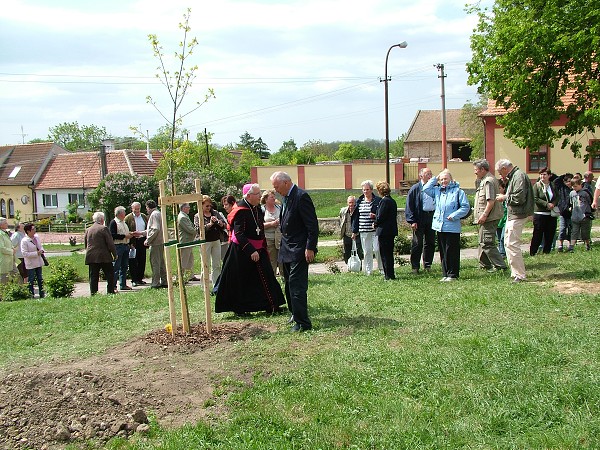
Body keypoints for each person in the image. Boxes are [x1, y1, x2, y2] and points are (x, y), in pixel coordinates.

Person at [215, 183, 285, 315]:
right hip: (242, 250)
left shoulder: (257, 208)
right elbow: (239, 233)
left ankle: (271, 305)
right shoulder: (241, 210)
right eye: (257, 194)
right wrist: (251, 250)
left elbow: (259, 228)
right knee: (242, 280)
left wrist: (261, 246)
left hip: (259, 247)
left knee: (267, 275)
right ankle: (240, 309)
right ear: (249, 195)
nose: (260, 196)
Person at [271, 171, 319, 332]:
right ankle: (294, 315)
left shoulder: (301, 196)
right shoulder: (286, 197)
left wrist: (310, 247)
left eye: (277, 186)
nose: (276, 190)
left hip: (299, 249)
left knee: (297, 286)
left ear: (286, 183)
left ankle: (303, 323)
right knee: (288, 285)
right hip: (286, 248)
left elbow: (312, 225)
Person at [423, 169, 470, 281]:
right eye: (442, 179)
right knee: (443, 250)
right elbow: (425, 188)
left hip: (452, 226)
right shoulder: (437, 191)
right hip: (440, 226)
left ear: (451, 179)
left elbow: (465, 207)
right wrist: (436, 177)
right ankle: (445, 274)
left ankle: (453, 274)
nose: (444, 181)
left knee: (451, 250)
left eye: (446, 179)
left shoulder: (458, 191)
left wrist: (454, 215)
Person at [495, 159, 534, 283]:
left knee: (512, 244)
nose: (500, 176)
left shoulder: (519, 176)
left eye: (500, 173)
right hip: (514, 215)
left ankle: (520, 275)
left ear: (505, 168)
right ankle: (515, 272)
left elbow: (519, 197)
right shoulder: (515, 176)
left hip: (518, 214)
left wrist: (504, 197)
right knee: (507, 243)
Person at [473, 159, 507, 271]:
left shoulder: (488, 181)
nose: (475, 172)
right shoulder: (484, 180)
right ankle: (484, 265)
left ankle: (500, 266)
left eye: (476, 170)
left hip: (489, 218)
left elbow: (491, 201)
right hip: (487, 218)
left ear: (482, 169)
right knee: (482, 241)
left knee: (487, 242)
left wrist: (484, 215)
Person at [405, 167, 436, 274]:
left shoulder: (434, 187)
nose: (430, 176)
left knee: (430, 242)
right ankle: (415, 266)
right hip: (419, 218)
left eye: (430, 173)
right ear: (421, 176)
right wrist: (412, 220)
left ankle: (428, 265)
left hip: (431, 216)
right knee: (417, 243)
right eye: (427, 174)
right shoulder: (415, 188)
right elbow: (409, 205)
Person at [351, 180, 382, 276]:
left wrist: (375, 216)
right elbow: (356, 217)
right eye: (364, 190)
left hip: (375, 230)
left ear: (371, 190)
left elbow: (381, 214)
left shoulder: (377, 200)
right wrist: (354, 231)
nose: (365, 192)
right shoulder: (359, 201)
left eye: (367, 189)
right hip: (363, 230)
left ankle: (381, 269)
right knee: (367, 251)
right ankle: (369, 271)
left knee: (377, 249)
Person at [194, 195, 226, 288]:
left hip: (216, 240)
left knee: (216, 264)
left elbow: (224, 225)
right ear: (201, 205)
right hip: (205, 242)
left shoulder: (215, 213)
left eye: (210, 206)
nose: (209, 208)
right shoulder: (198, 216)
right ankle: (205, 286)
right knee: (205, 264)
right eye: (207, 206)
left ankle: (216, 286)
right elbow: (198, 230)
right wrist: (210, 224)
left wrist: (220, 223)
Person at [84, 212, 117, 295]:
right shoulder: (104, 228)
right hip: (104, 256)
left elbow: (86, 243)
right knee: (109, 274)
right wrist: (114, 254)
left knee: (93, 276)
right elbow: (110, 243)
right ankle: (110, 291)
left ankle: (93, 293)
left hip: (91, 256)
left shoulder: (88, 229)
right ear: (102, 219)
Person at [530, 167, 558, 255]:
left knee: (550, 234)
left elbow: (557, 196)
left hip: (551, 214)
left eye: (544, 174)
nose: (542, 176)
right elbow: (535, 198)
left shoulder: (552, 185)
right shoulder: (537, 185)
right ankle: (533, 252)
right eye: (541, 174)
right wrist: (546, 204)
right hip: (540, 214)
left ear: (549, 175)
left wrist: (553, 203)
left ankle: (547, 252)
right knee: (537, 234)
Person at [374, 181, 398, 280]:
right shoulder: (392, 201)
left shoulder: (384, 201)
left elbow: (381, 217)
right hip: (391, 230)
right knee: (389, 253)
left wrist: (375, 221)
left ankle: (388, 275)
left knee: (385, 254)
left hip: (384, 231)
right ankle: (390, 274)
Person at [109, 206, 136, 292]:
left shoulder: (124, 222)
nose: (125, 214)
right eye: (124, 213)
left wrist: (130, 239)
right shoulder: (114, 223)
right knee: (116, 266)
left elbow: (126, 233)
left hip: (125, 246)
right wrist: (124, 236)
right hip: (118, 246)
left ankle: (123, 284)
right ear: (120, 214)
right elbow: (112, 235)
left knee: (124, 266)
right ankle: (113, 286)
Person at [145, 200, 168, 289]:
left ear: (148, 207)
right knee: (161, 263)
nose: (146, 210)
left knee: (155, 263)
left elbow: (155, 229)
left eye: (146, 208)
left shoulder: (154, 214)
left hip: (155, 242)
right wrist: (141, 233)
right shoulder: (159, 213)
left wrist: (148, 239)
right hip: (161, 241)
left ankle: (155, 283)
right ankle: (164, 281)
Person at [124, 201, 148, 287]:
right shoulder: (128, 218)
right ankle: (134, 280)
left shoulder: (144, 216)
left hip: (142, 240)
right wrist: (132, 234)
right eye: (135, 209)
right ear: (132, 209)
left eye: (138, 209)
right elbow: (125, 230)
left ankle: (140, 279)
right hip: (133, 241)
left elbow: (147, 227)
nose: (137, 211)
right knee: (133, 261)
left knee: (142, 260)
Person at [260, 189, 283, 276]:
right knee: (272, 260)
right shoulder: (262, 210)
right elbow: (259, 226)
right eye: (271, 197)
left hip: (280, 237)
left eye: (274, 197)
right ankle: (272, 278)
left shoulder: (279, 208)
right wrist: (271, 224)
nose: (274, 198)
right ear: (266, 199)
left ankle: (284, 277)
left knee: (282, 259)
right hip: (268, 238)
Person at [20, 223, 45, 298]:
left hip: (38, 262)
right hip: (31, 263)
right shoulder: (24, 241)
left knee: (40, 278)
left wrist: (42, 250)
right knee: (31, 279)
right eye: (33, 229)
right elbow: (24, 253)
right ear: (28, 231)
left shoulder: (36, 237)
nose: (35, 230)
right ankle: (31, 294)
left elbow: (40, 246)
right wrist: (36, 253)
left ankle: (42, 293)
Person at [569, 179, 593, 251]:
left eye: (576, 186)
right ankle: (571, 247)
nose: (574, 188)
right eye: (573, 186)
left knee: (585, 232)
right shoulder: (572, 193)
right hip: (575, 215)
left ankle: (587, 245)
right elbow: (571, 203)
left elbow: (590, 202)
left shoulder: (585, 193)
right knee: (574, 231)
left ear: (580, 185)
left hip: (584, 215)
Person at [339, 195, 363, 266]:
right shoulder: (343, 211)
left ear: (355, 203)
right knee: (347, 252)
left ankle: (358, 267)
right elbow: (341, 220)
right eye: (349, 203)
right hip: (346, 235)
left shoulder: (358, 210)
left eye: (352, 202)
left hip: (357, 235)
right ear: (347, 203)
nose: (351, 204)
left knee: (358, 251)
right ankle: (349, 266)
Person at [553, 172, 574, 252]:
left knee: (571, 229)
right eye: (567, 181)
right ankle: (560, 245)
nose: (569, 183)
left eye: (570, 181)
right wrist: (563, 175)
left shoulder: (573, 189)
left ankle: (570, 245)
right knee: (562, 229)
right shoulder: (561, 187)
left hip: (571, 212)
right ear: (564, 182)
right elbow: (555, 181)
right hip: (562, 212)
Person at [177, 203, 198, 282]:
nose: (189, 208)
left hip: (189, 241)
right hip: (185, 242)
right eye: (188, 207)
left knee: (190, 259)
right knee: (184, 260)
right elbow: (190, 229)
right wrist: (198, 230)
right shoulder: (182, 217)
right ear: (183, 208)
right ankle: (181, 277)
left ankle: (190, 276)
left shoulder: (185, 216)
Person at [220, 195, 237, 259]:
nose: (224, 207)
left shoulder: (234, 215)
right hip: (231, 242)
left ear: (232, 203)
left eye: (226, 204)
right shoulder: (230, 215)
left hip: (235, 243)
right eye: (223, 205)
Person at [0, 217, 15, 284]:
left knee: (16, 277)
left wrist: (12, 248)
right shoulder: (0, 234)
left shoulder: (5, 233)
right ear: (1, 225)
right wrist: (11, 251)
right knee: (4, 281)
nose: (7, 224)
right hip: (4, 261)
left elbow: (8, 243)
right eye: (5, 223)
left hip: (10, 260)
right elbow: (2, 248)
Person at [496, 178, 508, 257]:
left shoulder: (506, 199)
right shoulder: (495, 199)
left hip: (505, 220)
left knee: (503, 237)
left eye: (499, 188)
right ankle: (502, 252)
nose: (498, 190)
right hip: (498, 221)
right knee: (499, 237)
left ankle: (502, 253)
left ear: (504, 188)